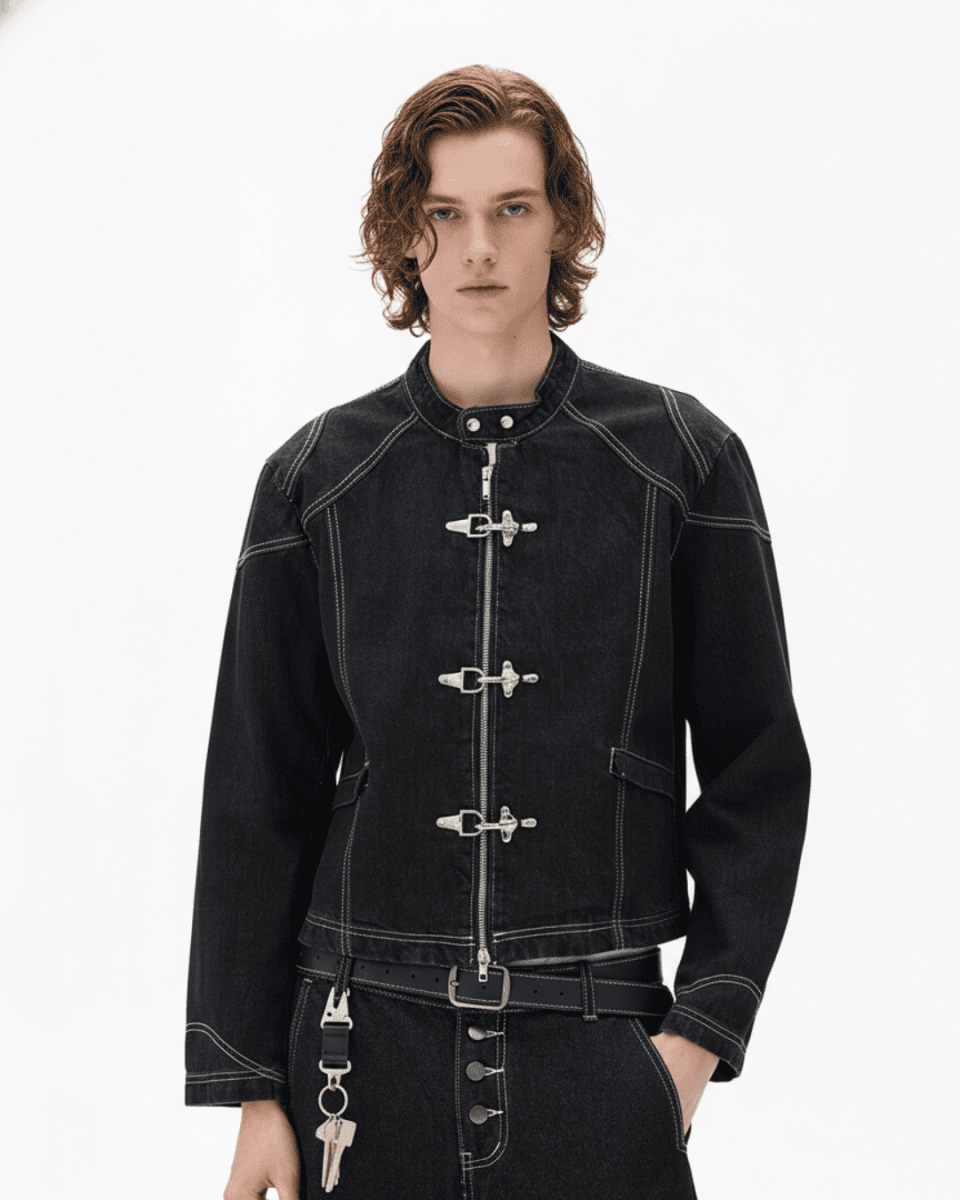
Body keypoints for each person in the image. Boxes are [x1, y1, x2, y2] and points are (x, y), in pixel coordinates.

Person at [184, 64, 811, 1200]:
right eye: (444, 213)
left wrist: (696, 1038)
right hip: (358, 1056)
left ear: (561, 222)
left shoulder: (680, 461)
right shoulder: (316, 480)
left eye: (512, 209)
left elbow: (759, 770)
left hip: (598, 1044)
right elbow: (255, 792)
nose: (478, 248)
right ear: (404, 235)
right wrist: (253, 1090)